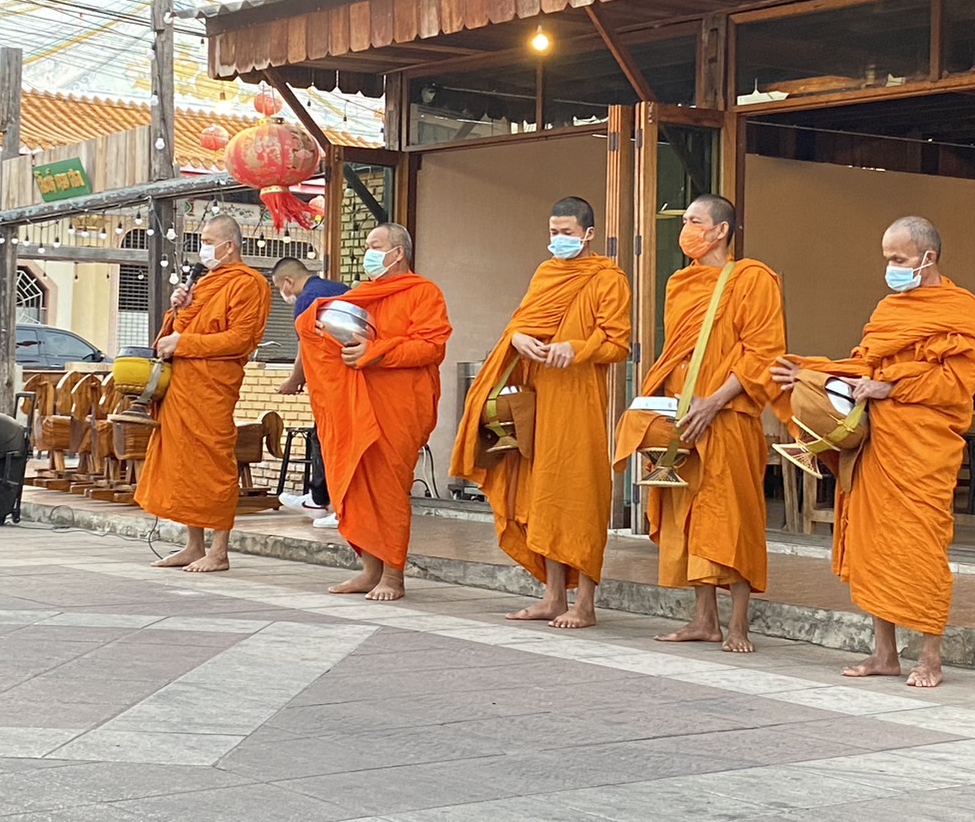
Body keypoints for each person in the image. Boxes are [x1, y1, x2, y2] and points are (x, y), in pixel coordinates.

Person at [770, 217, 975, 687]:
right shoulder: (889, 310)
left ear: (927, 258)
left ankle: (930, 658)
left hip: (923, 448)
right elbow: (865, 366)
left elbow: (957, 382)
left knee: (920, 547)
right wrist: (811, 374)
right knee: (874, 545)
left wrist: (891, 386)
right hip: (879, 443)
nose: (891, 267)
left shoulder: (960, 310)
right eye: (887, 259)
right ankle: (885, 654)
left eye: (899, 259)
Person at [614, 194, 786, 653]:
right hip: (685, 417)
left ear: (720, 230)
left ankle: (738, 626)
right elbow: (677, 353)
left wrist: (715, 401)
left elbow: (763, 354)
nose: (686, 229)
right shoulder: (680, 283)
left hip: (729, 416)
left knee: (734, 518)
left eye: (694, 220)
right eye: (685, 221)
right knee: (688, 517)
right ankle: (705, 619)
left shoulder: (753, 280)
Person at [452, 197, 631, 630]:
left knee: (580, 496)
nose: (558, 240)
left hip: (580, 403)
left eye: (567, 233)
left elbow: (618, 343)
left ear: (588, 234)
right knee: (542, 494)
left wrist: (577, 348)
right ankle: (553, 596)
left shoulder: (608, 279)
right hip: (539, 399)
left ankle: (584, 603)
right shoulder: (545, 273)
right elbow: (521, 322)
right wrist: (516, 338)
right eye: (553, 232)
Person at [296, 223, 451, 601]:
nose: (367, 253)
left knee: (389, 490)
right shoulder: (360, 295)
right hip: (358, 407)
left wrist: (376, 352)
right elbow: (318, 330)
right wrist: (318, 322)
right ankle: (369, 571)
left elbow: (431, 347)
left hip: (399, 406)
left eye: (375, 246)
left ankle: (393, 576)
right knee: (356, 486)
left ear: (397, 253)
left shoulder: (423, 292)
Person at [135, 213, 270, 574]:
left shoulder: (249, 283)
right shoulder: (204, 283)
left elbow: (240, 339)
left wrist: (184, 342)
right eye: (202, 242)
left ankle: (219, 550)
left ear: (229, 246)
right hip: (181, 386)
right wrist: (178, 309)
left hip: (211, 387)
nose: (203, 249)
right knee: (183, 465)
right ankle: (193, 545)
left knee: (213, 464)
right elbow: (174, 334)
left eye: (209, 242)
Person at [272, 256, 348, 528]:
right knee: (329, 438)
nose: (284, 294)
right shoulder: (341, 288)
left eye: (280, 288)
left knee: (330, 441)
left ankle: (331, 503)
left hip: (332, 382)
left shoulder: (307, 299)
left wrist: (294, 380)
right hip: (356, 375)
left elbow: (307, 348)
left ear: (288, 281)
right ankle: (322, 499)